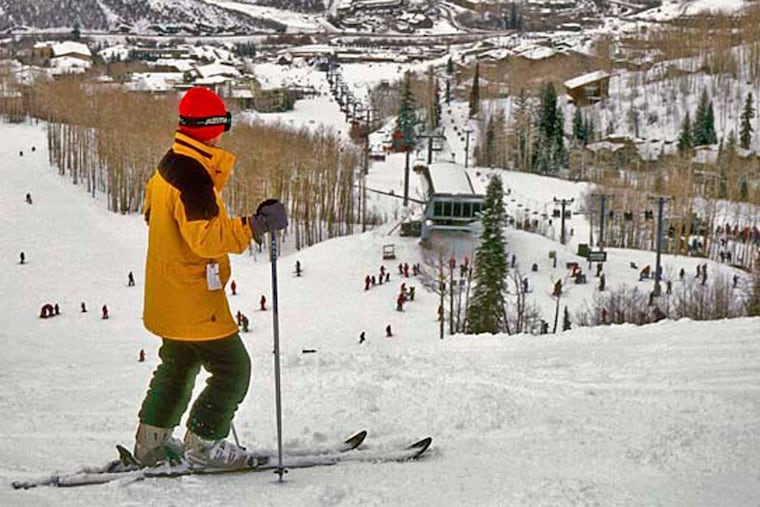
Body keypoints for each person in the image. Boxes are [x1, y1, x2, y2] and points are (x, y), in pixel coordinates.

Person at [133, 87, 288, 470]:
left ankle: (150, 444)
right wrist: (255, 226)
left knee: (178, 364)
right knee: (233, 368)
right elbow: (206, 239)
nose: (225, 131)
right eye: (224, 123)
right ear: (211, 127)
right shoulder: (192, 176)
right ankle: (204, 444)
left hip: (168, 291)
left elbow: (154, 217)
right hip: (193, 297)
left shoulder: (170, 164)